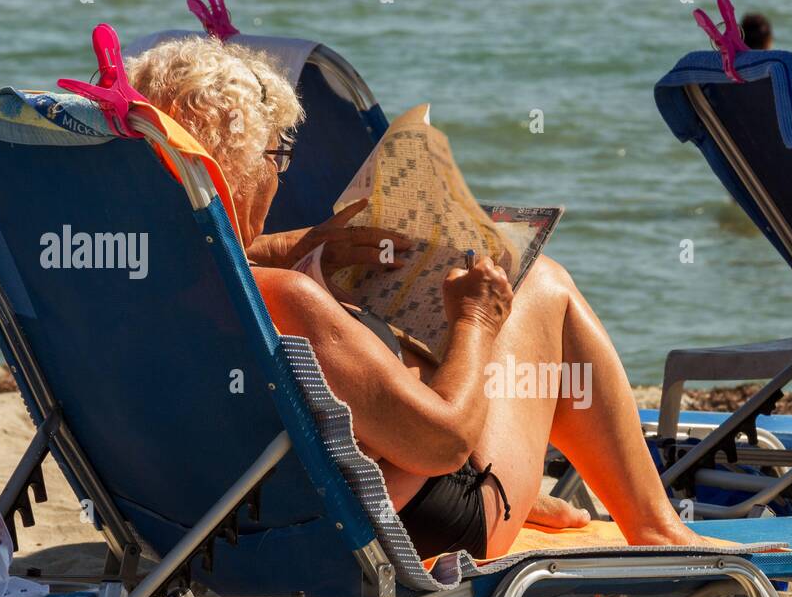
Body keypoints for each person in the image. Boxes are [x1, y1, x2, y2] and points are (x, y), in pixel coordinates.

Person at [126, 37, 710, 559]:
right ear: (233, 170)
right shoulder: (285, 304)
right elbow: (445, 445)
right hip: (404, 527)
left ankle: (531, 481)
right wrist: (475, 320)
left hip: (199, 531)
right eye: (275, 159)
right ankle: (654, 525)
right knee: (542, 284)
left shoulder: (126, 283)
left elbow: (215, 257)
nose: (278, 180)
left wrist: (293, 244)